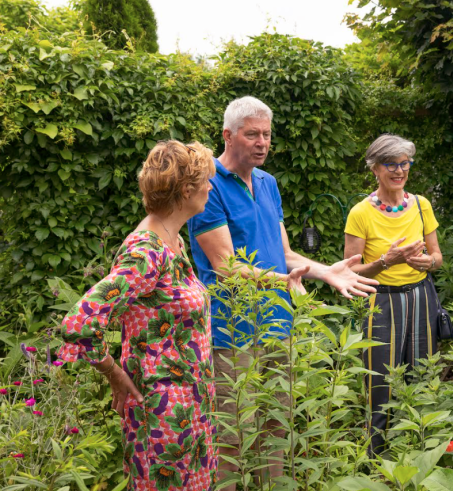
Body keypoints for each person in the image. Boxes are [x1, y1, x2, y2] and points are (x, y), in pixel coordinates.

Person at [187, 96, 378, 484]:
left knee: (276, 429)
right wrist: (281, 281)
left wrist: (325, 272)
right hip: (232, 332)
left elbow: (285, 253)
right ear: (227, 135)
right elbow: (226, 267)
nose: (262, 142)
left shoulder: (267, 183)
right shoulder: (207, 188)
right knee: (234, 434)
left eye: (267, 135)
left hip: (278, 325)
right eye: (252, 134)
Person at [58, 141, 219, 490]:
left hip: (190, 410)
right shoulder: (146, 251)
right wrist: (113, 373)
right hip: (161, 415)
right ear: (187, 190)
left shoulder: (171, 240)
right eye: (207, 180)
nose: (211, 187)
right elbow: (80, 322)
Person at [343, 133, 444, 455]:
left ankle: (423, 450)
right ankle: (376, 458)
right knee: (380, 381)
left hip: (421, 296)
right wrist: (386, 261)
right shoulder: (360, 213)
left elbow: (437, 257)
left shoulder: (421, 205)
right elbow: (350, 272)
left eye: (405, 164)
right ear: (374, 168)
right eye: (391, 164)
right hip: (381, 301)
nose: (399, 171)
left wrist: (428, 261)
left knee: (424, 375)